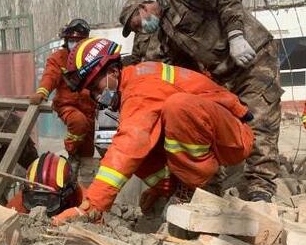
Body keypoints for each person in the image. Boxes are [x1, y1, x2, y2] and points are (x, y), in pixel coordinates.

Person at [52, 38, 254, 225]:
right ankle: (172, 189)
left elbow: (130, 144)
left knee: (177, 108)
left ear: (113, 72)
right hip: (212, 135)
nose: (96, 97)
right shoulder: (131, 84)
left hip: (232, 137)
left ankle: (195, 188)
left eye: (95, 87)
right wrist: (160, 190)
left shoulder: (140, 88)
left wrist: (93, 205)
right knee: (141, 150)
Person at [119, 0, 283, 202]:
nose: (140, 29)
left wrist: (236, 36)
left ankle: (260, 189)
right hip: (222, 74)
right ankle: (212, 187)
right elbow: (181, 70)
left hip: (253, 56)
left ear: (143, 7)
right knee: (213, 124)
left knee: (260, 120)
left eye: (137, 22)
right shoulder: (166, 35)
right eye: (135, 29)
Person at [29, 19, 96, 171]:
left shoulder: (91, 58)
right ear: (66, 40)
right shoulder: (59, 57)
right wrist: (41, 92)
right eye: (72, 40)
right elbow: (50, 76)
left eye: (79, 41)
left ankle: (82, 183)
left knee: (87, 151)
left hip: (89, 109)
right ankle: (71, 153)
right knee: (78, 122)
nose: (75, 44)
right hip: (67, 105)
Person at [6, 152, 84, 216]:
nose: (40, 207)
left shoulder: (80, 198)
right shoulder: (19, 202)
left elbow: (92, 209)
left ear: (67, 194)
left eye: (50, 201)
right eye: (33, 200)